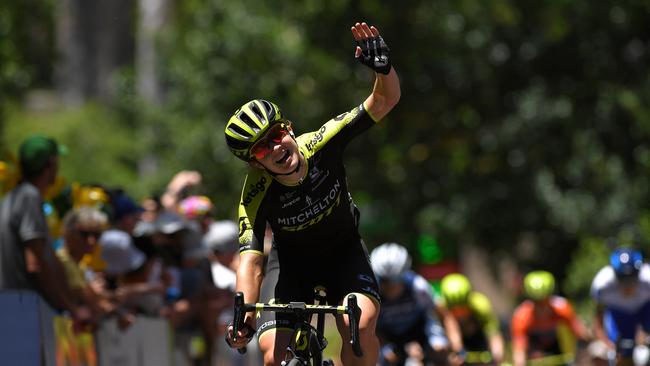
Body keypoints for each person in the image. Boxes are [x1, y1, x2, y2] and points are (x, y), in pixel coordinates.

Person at [224, 22, 400, 366]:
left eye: (276, 135)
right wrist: (243, 314)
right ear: (255, 164)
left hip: (344, 254)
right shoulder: (255, 193)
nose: (275, 148)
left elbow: (384, 100)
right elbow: (252, 260)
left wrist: (383, 69)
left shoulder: (323, 143)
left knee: (359, 328)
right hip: (291, 268)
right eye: (261, 149)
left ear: (288, 129)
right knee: (272, 357)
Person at [0, 135, 87, 319]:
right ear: (51, 164)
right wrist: (70, 308)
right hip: (23, 310)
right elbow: (35, 263)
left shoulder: (12, 198)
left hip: (13, 305)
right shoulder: (29, 197)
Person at [370, 243, 463, 366]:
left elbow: (444, 315)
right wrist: (385, 346)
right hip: (388, 337)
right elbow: (369, 327)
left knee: (440, 350)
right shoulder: (372, 291)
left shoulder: (418, 287)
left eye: (395, 280)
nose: (390, 287)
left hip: (420, 332)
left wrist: (457, 349)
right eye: (385, 281)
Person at [511, 270, 590, 366]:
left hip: (559, 352)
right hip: (533, 357)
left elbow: (581, 334)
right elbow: (519, 350)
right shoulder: (521, 316)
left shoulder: (562, 308)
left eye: (544, 301)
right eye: (537, 302)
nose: (541, 307)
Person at [591, 248, 650, 365]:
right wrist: (607, 343)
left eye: (632, 279)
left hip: (645, 312)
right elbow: (598, 319)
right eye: (623, 280)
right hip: (618, 317)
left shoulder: (648, 279)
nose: (628, 285)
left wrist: (645, 333)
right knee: (603, 354)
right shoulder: (602, 285)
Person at [440, 273, 505, 365]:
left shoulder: (481, 305)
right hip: (457, 340)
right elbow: (452, 333)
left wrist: (497, 354)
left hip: (480, 338)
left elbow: (493, 333)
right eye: (455, 309)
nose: (460, 314)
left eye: (463, 307)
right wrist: (456, 352)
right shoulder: (442, 308)